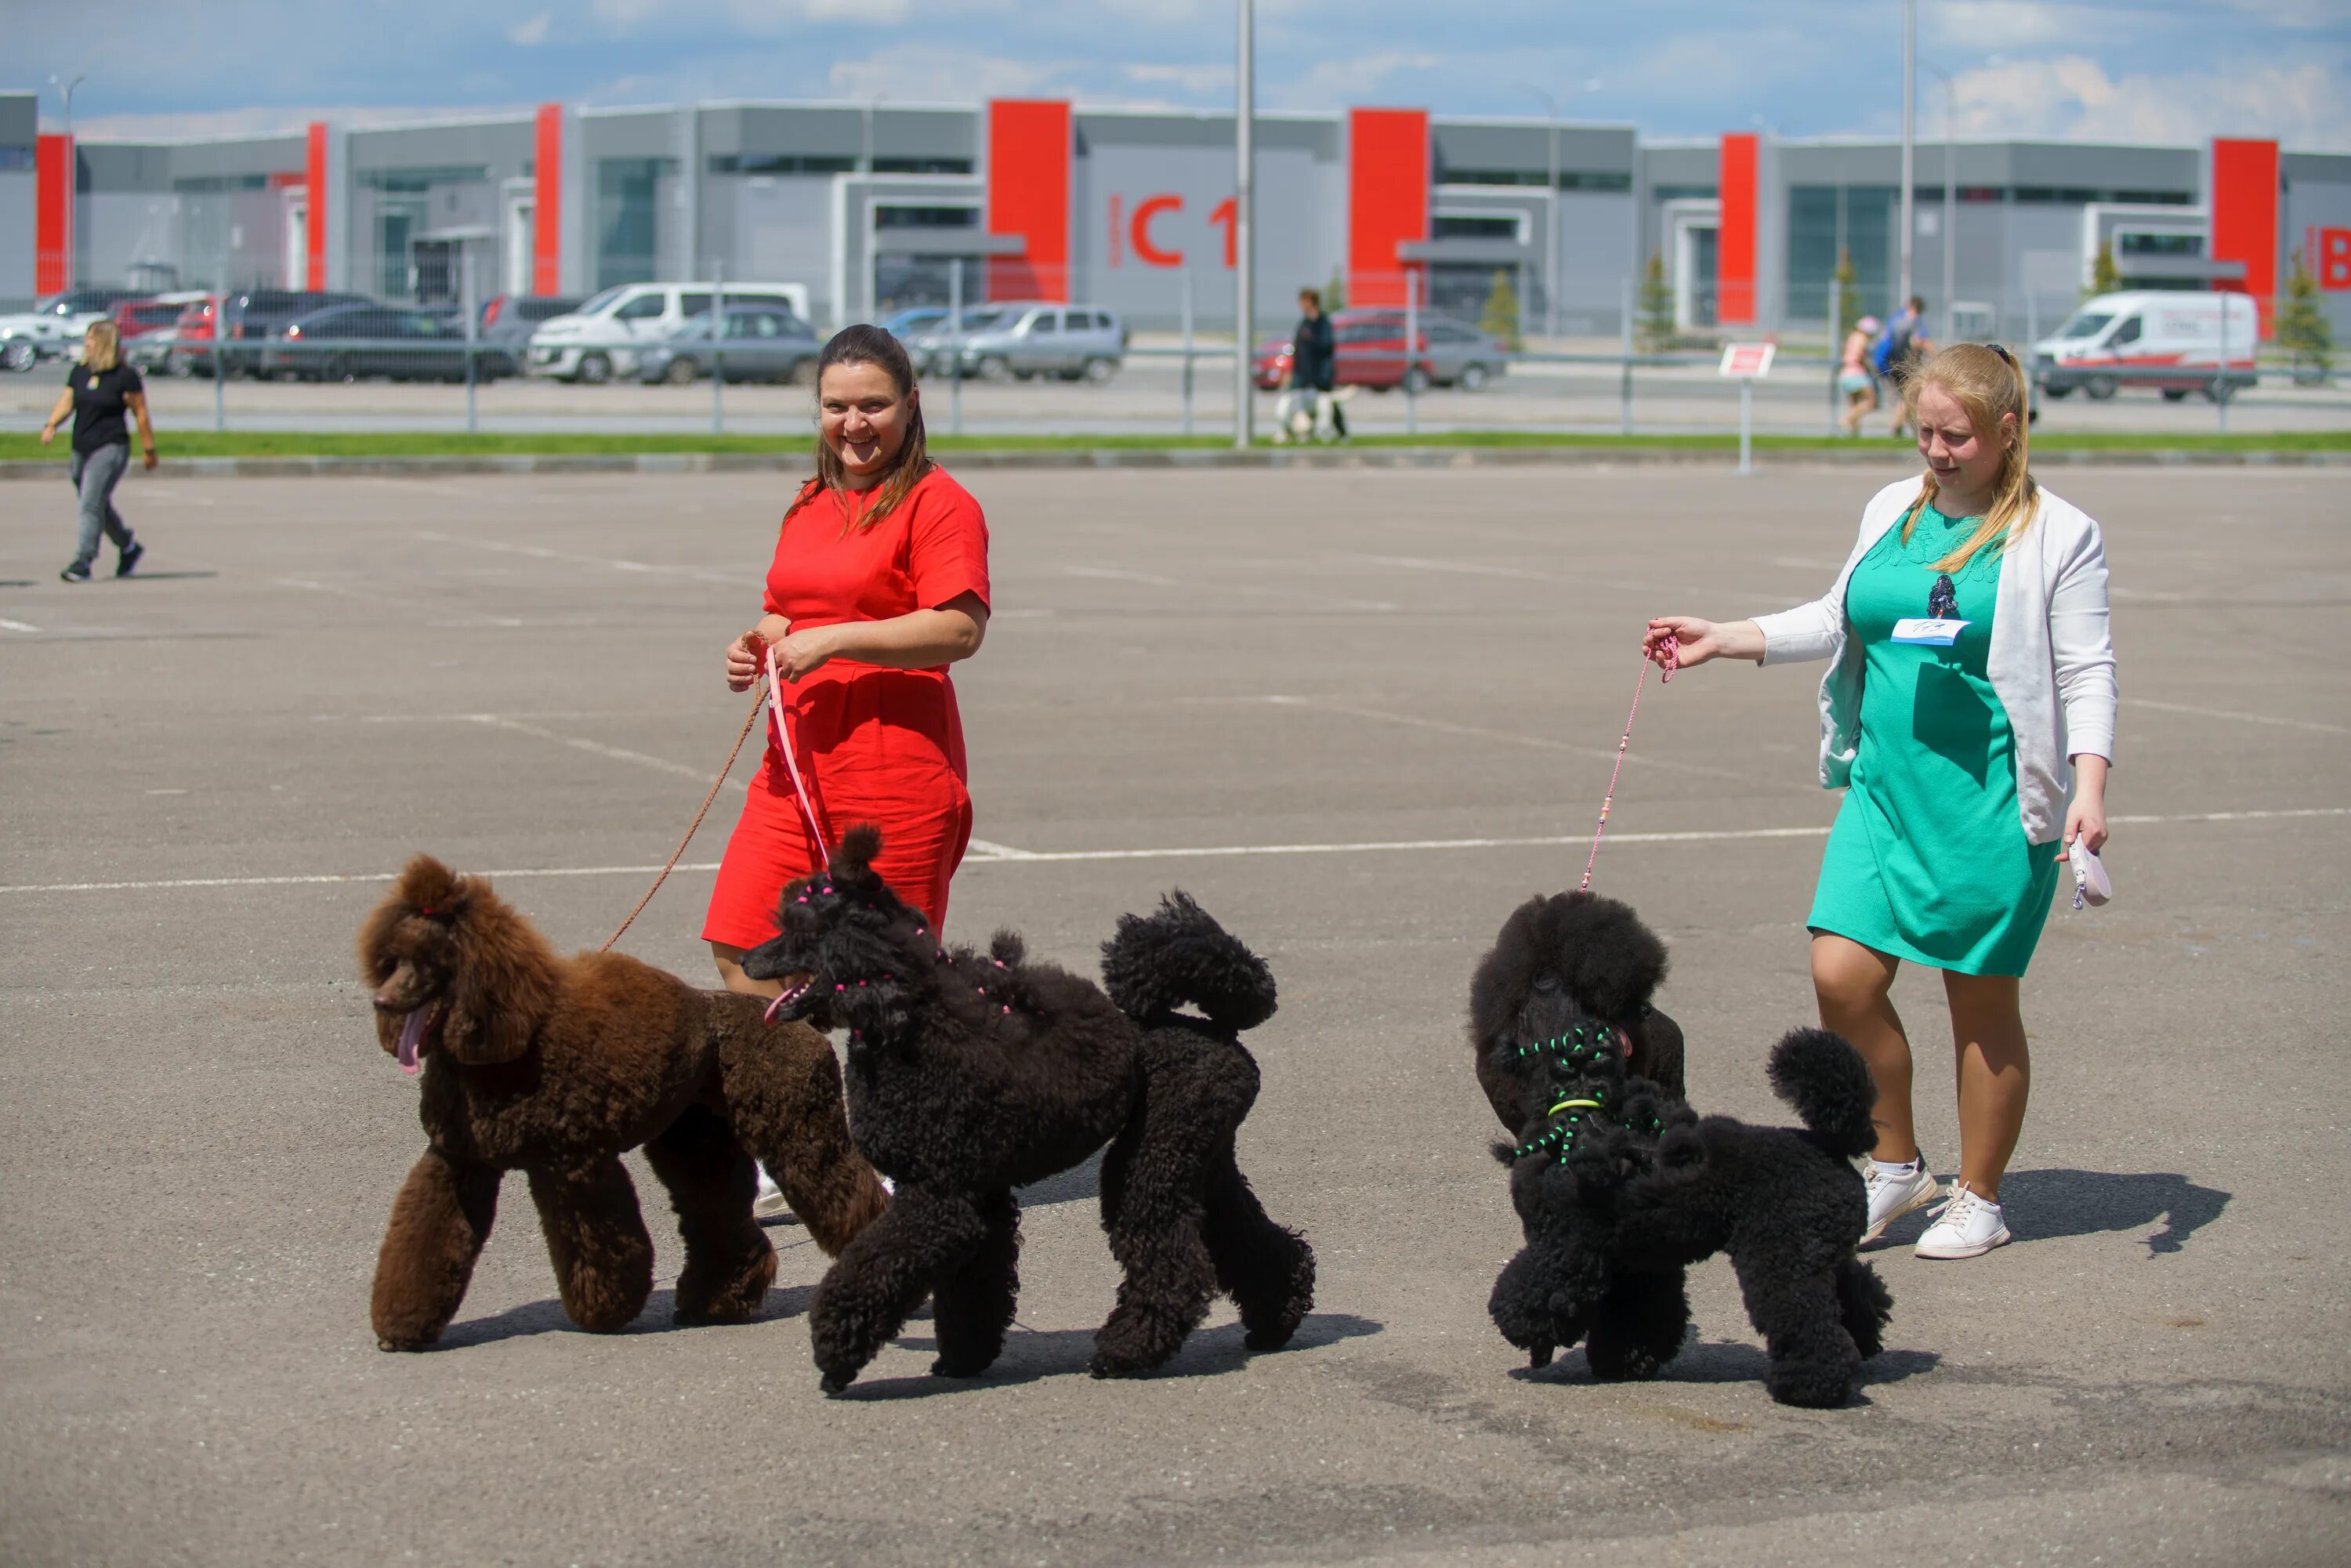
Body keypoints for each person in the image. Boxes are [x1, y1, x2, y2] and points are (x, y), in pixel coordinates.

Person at [1643, 342, 2114, 1261]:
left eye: (1957, 437)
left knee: (1980, 1001)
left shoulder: (2059, 533)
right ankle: (1895, 1167)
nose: (1937, 453)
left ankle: (1980, 1195)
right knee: (1841, 976)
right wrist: (1725, 636)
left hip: (1988, 803)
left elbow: (2085, 670)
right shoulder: (1891, 509)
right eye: (1925, 432)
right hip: (1884, 790)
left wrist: (2088, 788)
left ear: (2008, 431)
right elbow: (1836, 613)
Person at [705, 326, 988, 1209]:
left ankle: (904, 1149)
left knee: (888, 981)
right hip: (795, 766)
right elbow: (785, 608)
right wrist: (758, 641)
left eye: (873, 404)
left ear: (910, 406)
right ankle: (795, 1131)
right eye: (837, 406)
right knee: (742, 944)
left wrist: (836, 640)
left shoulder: (940, 505)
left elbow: (958, 628)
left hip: (895, 770)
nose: (854, 423)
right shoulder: (808, 504)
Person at [38, 319, 154, 583]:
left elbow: (141, 414)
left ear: (103, 341)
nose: (86, 343)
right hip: (82, 447)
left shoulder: (124, 376)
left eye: (90, 338)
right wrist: (51, 424)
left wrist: (149, 449)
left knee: (90, 502)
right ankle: (128, 546)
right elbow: (67, 402)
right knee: (95, 503)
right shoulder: (80, 372)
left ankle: (84, 561)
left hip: (111, 447)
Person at [1288, 287, 1345, 441]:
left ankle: (1341, 431)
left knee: (1327, 402)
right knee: (1300, 402)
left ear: (1310, 302)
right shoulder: (1304, 323)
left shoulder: (1323, 323)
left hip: (1320, 371)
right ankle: (1299, 432)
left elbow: (1327, 345)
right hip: (1303, 371)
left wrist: (1312, 340)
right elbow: (1298, 347)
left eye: (1303, 301)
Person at [1878, 296, 1934, 439]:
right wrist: (1938, 357)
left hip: (1889, 364)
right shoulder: (1914, 322)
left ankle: (1913, 432)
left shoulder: (1895, 320)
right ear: (1918, 309)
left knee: (1906, 398)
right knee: (1907, 398)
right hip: (1904, 365)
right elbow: (1920, 342)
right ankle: (1895, 428)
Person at [1838, 314, 1882, 436]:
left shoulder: (1851, 337)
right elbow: (1861, 356)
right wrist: (1872, 367)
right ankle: (1847, 419)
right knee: (1871, 401)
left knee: (1855, 405)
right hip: (1857, 372)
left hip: (1846, 372)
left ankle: (1854, 433)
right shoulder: (1862, 339)